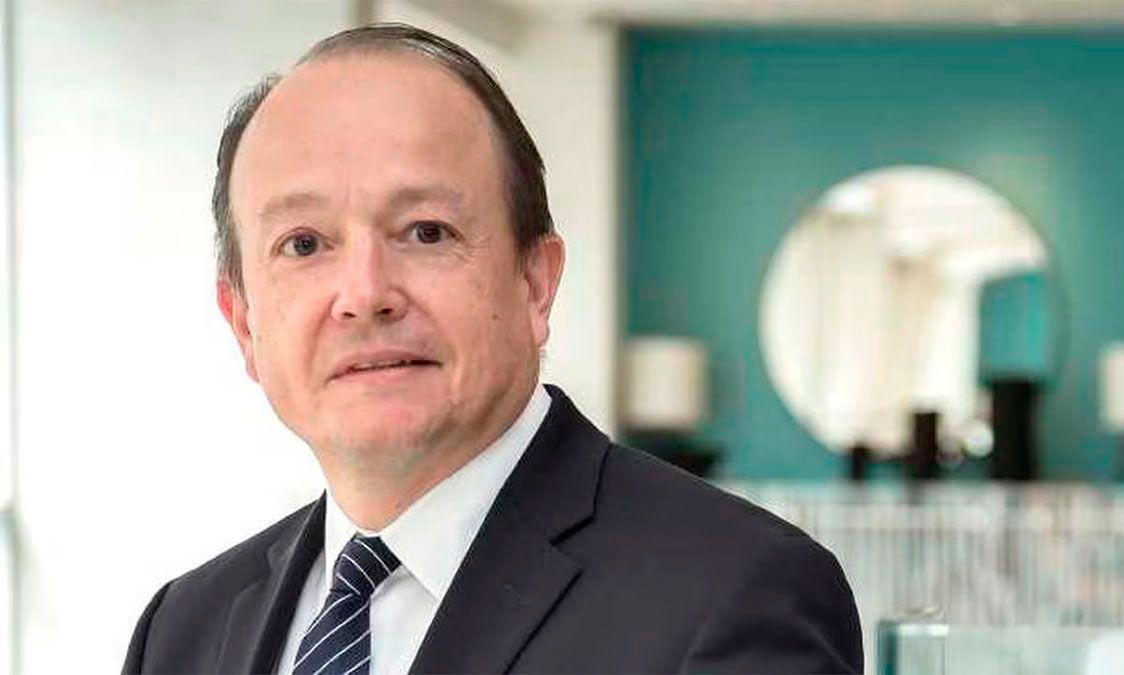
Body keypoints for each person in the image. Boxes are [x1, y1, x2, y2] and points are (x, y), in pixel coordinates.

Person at [122, 23, 862, 674]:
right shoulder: (182, 630)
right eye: (304, 244)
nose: (365, 294)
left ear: (536, 283)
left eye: (426, 232)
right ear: (243, 322)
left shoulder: (733, 593)